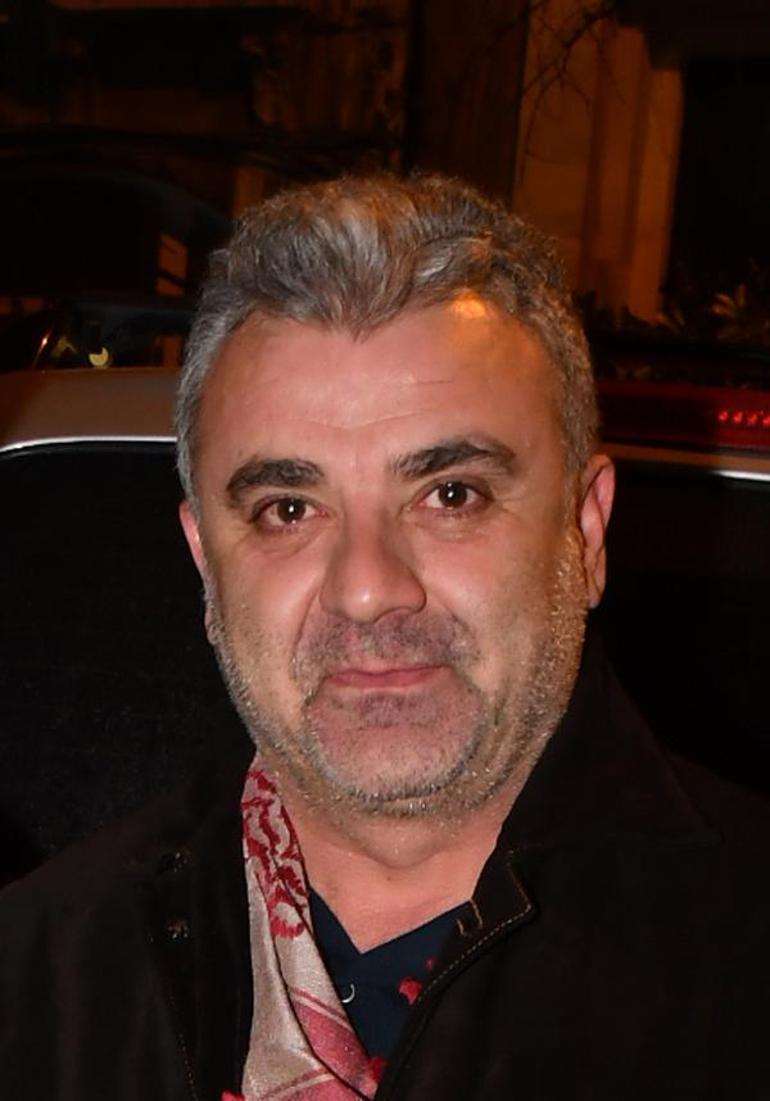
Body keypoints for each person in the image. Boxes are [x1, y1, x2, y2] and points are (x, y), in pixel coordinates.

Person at [2, 173, 770, 1100]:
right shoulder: (37, 978)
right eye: (289, 508)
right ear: (206, 562)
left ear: (586, 531)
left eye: (450, 494)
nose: (367, 590)